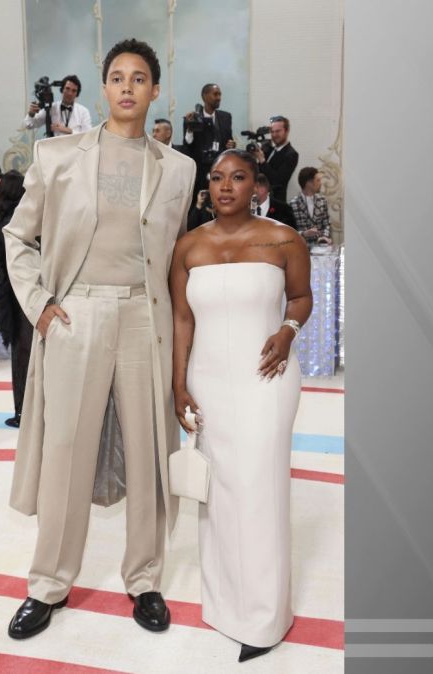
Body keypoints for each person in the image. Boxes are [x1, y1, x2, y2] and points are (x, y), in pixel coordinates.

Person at [2, 38, 197, 640]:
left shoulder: (180, 169)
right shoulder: (56, 154)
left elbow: (176, 262)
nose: (128, 87)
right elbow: (18, 236)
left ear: (155, 89)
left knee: (147, 452)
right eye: (117, 77)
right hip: (74, 316)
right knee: (66, 450)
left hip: (145, 318)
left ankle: (145, 579)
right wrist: (39, 305)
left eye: (140, 78)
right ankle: (48, 583)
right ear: (104, 85)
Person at [168, 149, 312, 663]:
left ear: (257, 184)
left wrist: (288, 331)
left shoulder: (283, 238)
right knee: (220, 492)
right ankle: (224, 604)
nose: (225, 186)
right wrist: (178, 383)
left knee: (261, 488)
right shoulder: (188, 246)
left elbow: (301, 298)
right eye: (217, 178)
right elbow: (183, 320)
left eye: (238, 177)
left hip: (266, 378)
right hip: (207, 382)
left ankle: (264, 618)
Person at [0, 172, 31, 427]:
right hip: (36, 292)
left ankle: (23, 411)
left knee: (21, 354)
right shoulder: (34, 222)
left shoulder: (2, 226)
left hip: (14, 295)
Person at [182, 83, 236, 197]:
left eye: (220, 94)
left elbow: (228, 140)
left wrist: (231, 144)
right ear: (205, 96)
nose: (219, 98)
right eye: (215, 94)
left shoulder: (226, 117)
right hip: (200, 172)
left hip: (221, 169)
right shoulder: (192, 118)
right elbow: (187, 144)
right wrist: (190, 128)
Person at [24, 75, 93, 137]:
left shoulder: (83, 111)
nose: (70, 93)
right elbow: (28, 125)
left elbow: (88, 136)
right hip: (55, 150)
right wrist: (31, 114)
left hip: (76, 150)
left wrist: (68, 130)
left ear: (77, 94)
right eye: (67, 88)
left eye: (74, 91)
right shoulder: (51, 108)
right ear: (62, 89)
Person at [253, 116, 298, 206]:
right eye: (272, 132)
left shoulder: (291, 154)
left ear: (286, 131)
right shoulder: (268, 149)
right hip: (258, 201)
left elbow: (277, 180)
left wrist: (262, 160)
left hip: (275, 203)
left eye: (278, 131)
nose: (274, 135)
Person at [289, 166, 332, 245]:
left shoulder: (322, 200)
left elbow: (327, 224)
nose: (320, 183)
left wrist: (324, 238)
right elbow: (290, 232)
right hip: (302, 249)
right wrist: (304, 233)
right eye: (318, 180)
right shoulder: (293, 204)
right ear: (309, 183)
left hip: (321, 249)